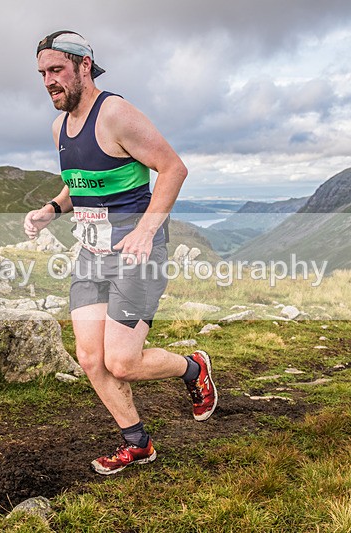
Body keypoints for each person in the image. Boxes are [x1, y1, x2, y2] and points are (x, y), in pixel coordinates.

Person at [25, 31, 217, 474]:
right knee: (91, 358)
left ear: (84, 66)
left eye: (56, 70)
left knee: (123, 361)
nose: (48, 82)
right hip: (91, 254)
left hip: (136, 254)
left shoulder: (115, 113)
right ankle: (138, 443)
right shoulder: (59, 127)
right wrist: (51, 209)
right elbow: (81, 183)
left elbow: (173, 168)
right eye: (42, 74)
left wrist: (147, 230)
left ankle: (193, 369)